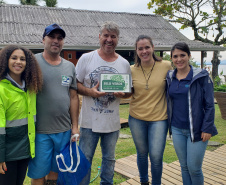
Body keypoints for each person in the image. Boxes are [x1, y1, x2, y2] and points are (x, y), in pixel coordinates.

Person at [75, 21, 131, 185]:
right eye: (105, 35)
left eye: (113, 36)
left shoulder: (124, 63)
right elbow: (75, 85)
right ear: (99, 37)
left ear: (117, 39)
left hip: (112, 123)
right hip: (88, 122)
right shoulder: (86, 59)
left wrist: (123, 93)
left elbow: (128, 91)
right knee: (85, 159)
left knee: (109, 160)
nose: (109, 39)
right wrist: (90, 91)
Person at [27, 23, 80, 185]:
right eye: (52, 37)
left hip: (64, 130)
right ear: (43, 40)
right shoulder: (32, 62)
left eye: (60, 38)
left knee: (58, 171)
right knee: (38, 174)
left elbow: (73, 97)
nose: (56, 41)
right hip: (39, 131)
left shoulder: (69, 66)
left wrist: (75, 127)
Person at [166, 42, 218, 185]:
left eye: (182, 55)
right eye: (175, 56)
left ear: (189, 56)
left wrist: (207, 127)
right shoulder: (170, 77)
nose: (179, 59)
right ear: (171, 58)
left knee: (194, 168)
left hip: (197, 129)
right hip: (177, 129)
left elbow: (209, 105)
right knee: (184, 167)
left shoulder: (201, 76)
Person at [128, 35, 172, 185]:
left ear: (153, 47)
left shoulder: (166, 65)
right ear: (136, 51)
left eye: (147, 47)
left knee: (156, 156)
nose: (144, 51)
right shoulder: (130, 69)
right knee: (141, 154)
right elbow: (128, 92)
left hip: (159, 118)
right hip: (136, 118)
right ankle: (144, 181)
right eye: (140, 48)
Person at [0, 45, 42, 185]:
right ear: (6, 60)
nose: (18, 62)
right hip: (7, 153)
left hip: (24, 150)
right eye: (14, 58)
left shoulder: (30, 88)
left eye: (22, 59)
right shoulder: (2, 88)